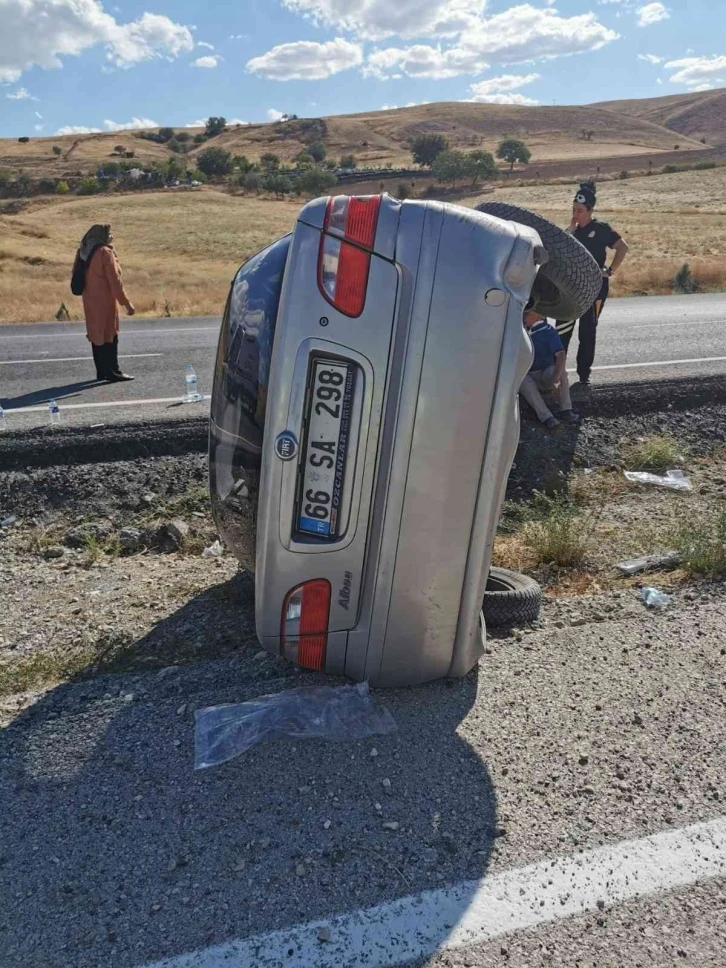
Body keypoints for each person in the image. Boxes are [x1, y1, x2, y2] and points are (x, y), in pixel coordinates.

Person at [556, 181, 629, 387]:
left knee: (588, 331)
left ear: (590, 210)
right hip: (570, 289)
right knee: (562, 330)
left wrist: (610, 271)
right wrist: (569, 230)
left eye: (579, 211)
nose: (575, 214)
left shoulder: (601, 229)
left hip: (596, 288)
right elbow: (557, 252)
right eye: (573, 210)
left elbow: (622, 247)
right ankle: (556, 373)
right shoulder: (570, 233)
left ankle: (583, 375)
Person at [74, 224, 135, 382]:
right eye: (109, 233)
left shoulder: (83, 251)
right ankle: (113, 372)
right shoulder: (105, 252)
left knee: (96, 335)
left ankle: (101, 371)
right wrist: (127, 304)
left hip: (89, 300)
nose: (111, 236)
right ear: (102, 235)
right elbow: (115, 281)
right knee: (110, 335)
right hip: (105, 301)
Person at [520, 309, 579, 429]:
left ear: (539, 315)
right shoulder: (520, 333)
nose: (524, 317)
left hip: (547, 374)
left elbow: (561, 355)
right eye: (523, 314)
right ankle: (547, 417)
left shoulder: (547, 331)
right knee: (522, 379)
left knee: (560, 370)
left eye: (527, 314)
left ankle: (566, 409)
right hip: (530, 375)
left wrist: (556, 378)